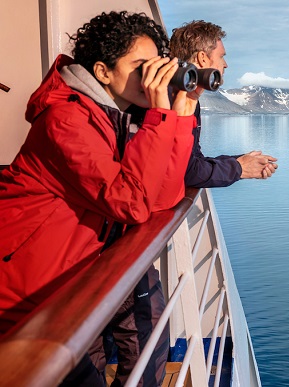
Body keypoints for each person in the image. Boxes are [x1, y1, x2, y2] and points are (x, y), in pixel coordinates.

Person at [0, 10, 197, 386]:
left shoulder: (115, 117)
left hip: (61, 290)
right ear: (104, 72)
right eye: (140, 65)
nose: (151, 76)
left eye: (155, 65)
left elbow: (162, 197)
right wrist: (158, 115)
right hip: (18, 296)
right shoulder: (66, 118)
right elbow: (130, 203)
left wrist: (180, 119)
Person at [168, 20, 278, 188]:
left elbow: (194, 160)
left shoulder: (190, 100)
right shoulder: (171, 100)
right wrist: (240, 168)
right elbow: (186, 172)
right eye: (221, 56)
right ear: (202, 58)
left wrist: (241, 161)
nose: (226, 64)